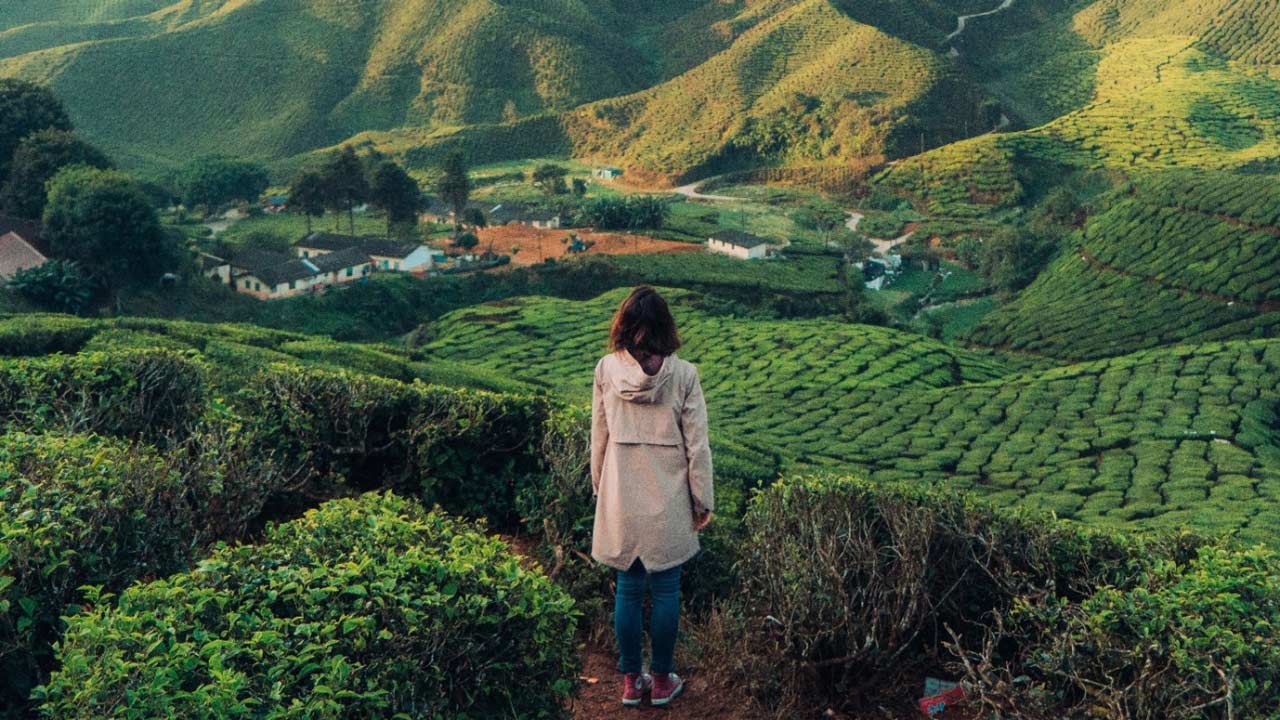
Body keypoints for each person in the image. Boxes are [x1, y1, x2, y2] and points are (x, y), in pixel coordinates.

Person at [591, 286, 714, 708]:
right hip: (668, 493)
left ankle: (631, 681)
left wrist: (600, 486)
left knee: (627, 588)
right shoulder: (684, 374)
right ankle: (661, 681)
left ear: (623, 325)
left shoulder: (606, 369)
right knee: (665, 590)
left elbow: (600, 434)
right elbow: (697, 445)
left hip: (621, 490)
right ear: (667, 326)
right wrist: (702, 499)